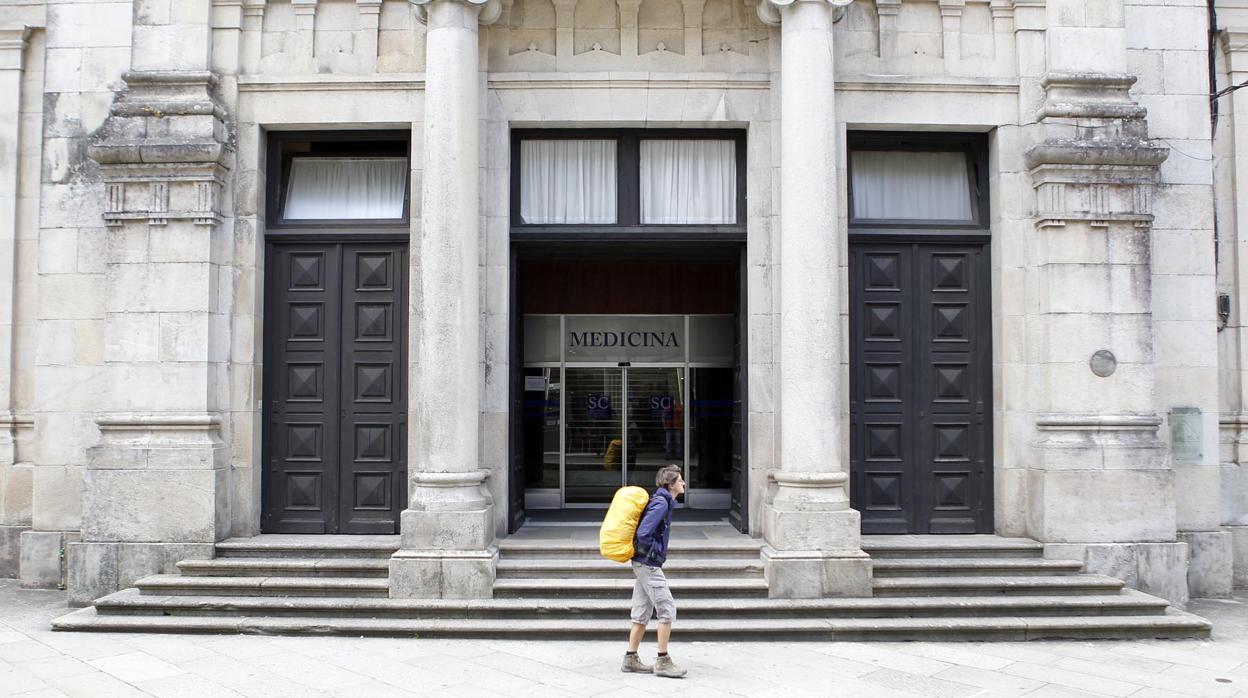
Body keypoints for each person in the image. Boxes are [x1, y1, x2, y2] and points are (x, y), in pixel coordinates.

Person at [622, 464, 687, 679]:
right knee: (667, 609)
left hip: (643, 563)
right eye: (680, 480)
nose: (683, 483)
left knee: (641, 611)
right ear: (671, 485)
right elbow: (643, 533)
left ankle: (630, 658)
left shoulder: (663, 501)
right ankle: (663, 660)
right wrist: (654, 553)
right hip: (647, 564)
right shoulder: (661, 503)